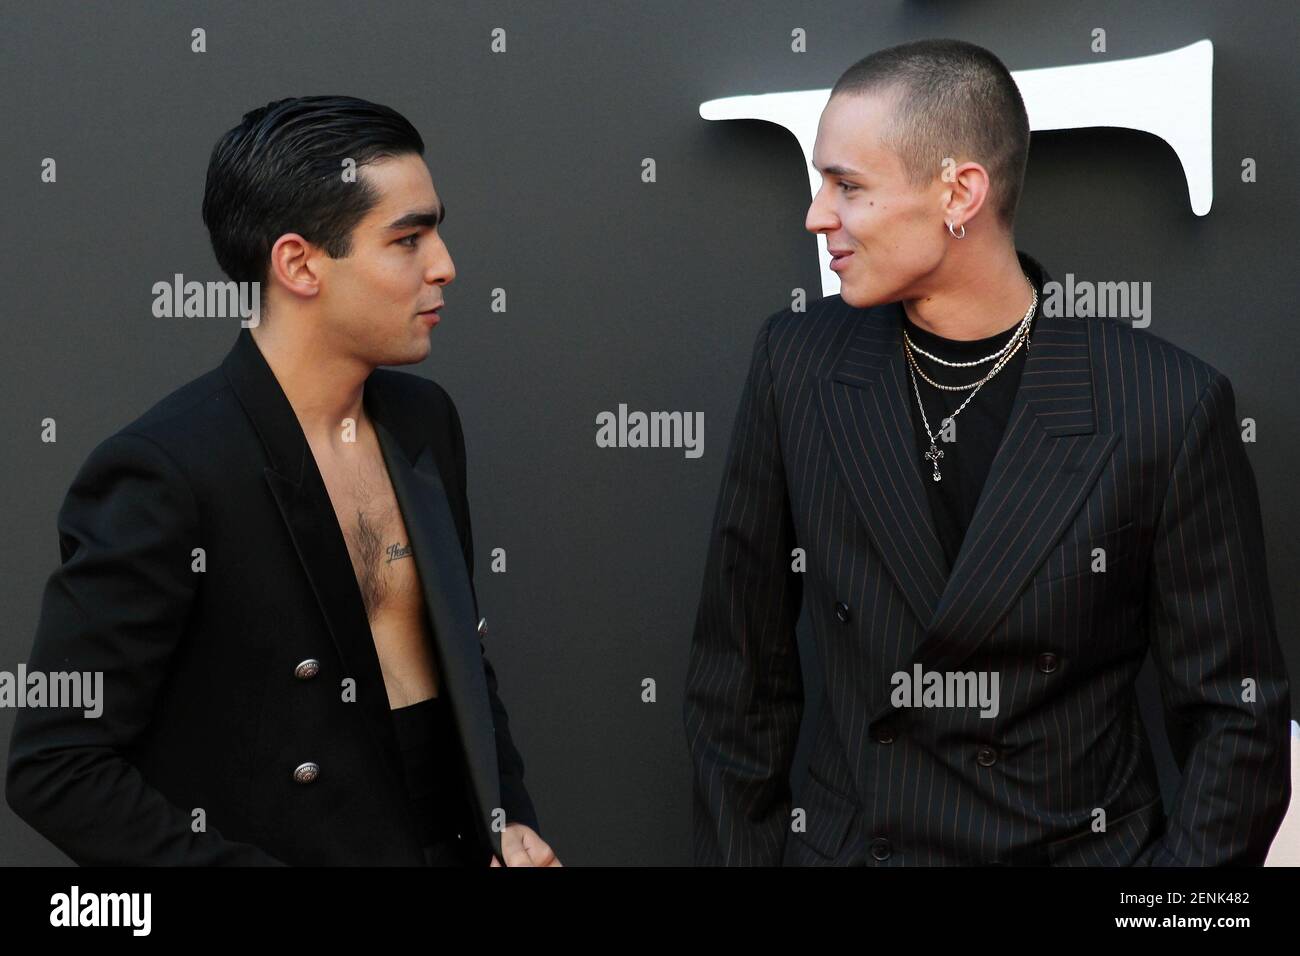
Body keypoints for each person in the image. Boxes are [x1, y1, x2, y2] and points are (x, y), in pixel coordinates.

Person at [684, 39, 1290, 865]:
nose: (816, 216)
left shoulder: (1163, 405)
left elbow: (1236, 719)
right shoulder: (798, 366)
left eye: (847, 186)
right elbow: (738, 680)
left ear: (959, 193)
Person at [6, 95, 558, 867]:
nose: (445, 265)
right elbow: (56, 767)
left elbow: (461, 662)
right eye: (408, 239)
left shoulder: (423, 423)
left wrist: (509, 823)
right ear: (298, 263)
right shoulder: (168, 468)